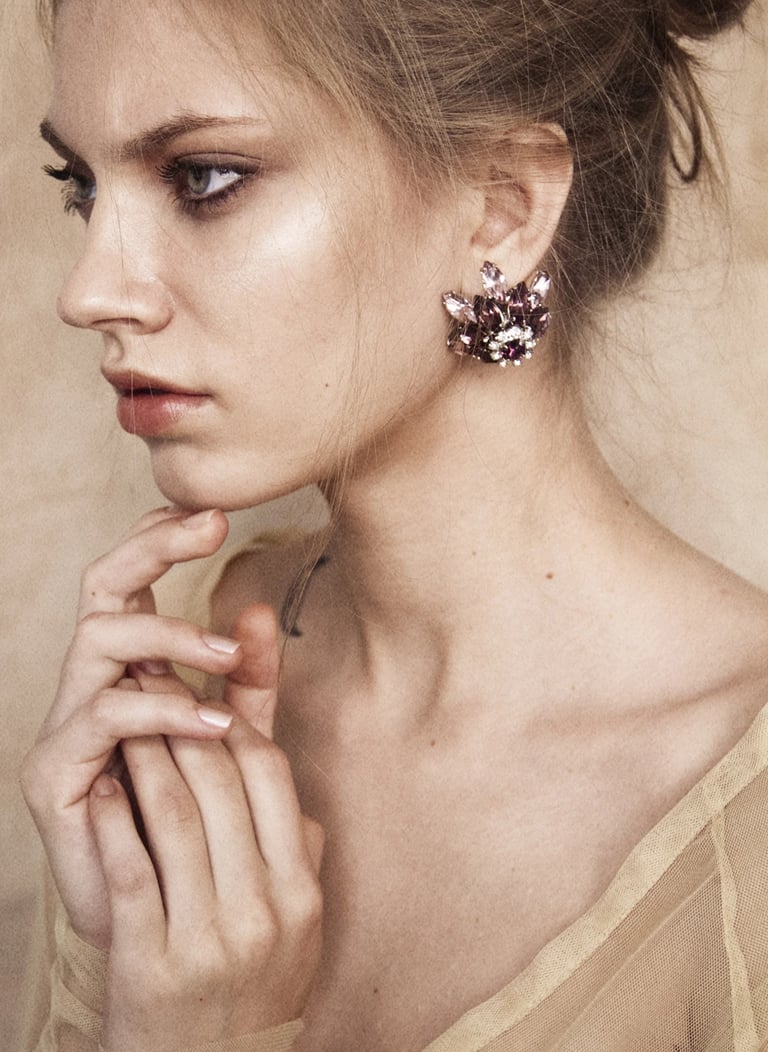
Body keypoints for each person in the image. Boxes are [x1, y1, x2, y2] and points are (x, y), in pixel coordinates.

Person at [20, 0, 768, 1049]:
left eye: (204, 178)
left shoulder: (740, 821)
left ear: (500, 208)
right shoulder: (164, 669)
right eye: (83, 186)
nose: (90, 292)